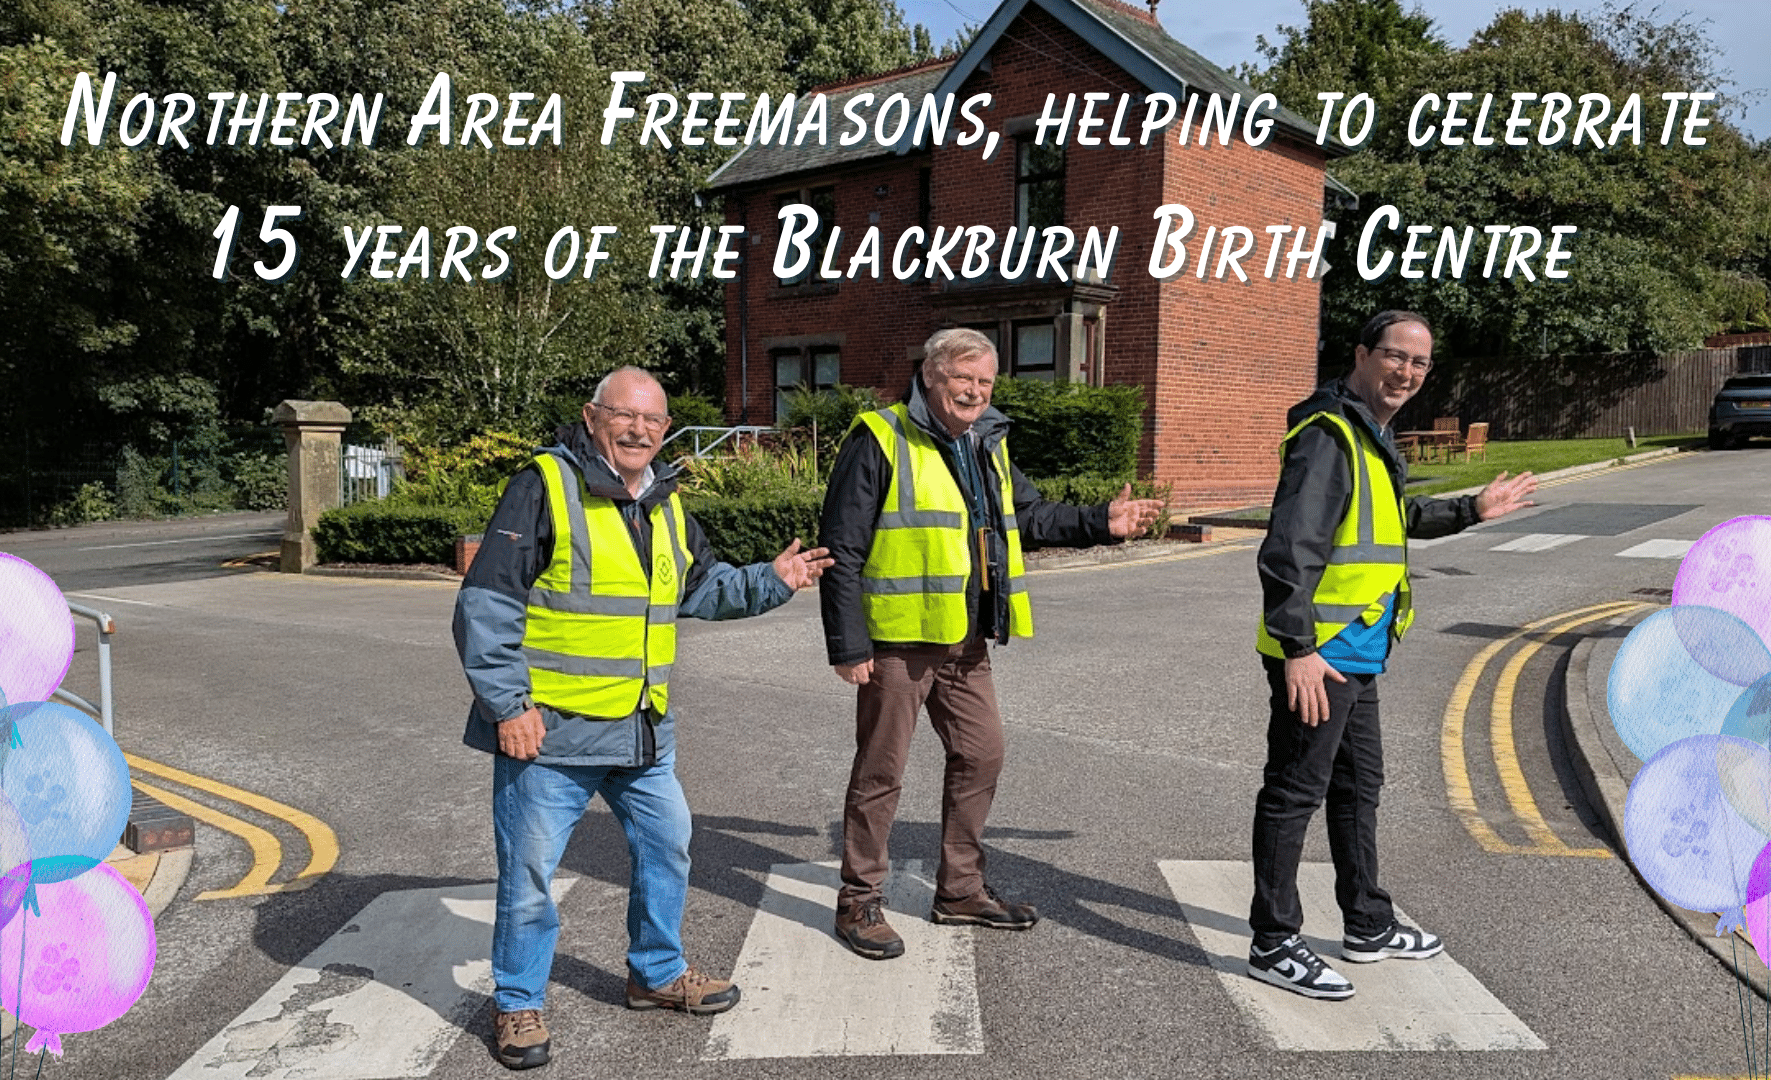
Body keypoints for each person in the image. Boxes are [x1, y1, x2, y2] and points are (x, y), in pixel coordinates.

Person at [453, 367, 834, 1070]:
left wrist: (771, 581)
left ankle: (655, 974)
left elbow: (702, 589)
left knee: (669, 847)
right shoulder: (545, 487)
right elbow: (487, 604)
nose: (639, 431)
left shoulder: (663, 502)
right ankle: (517, 1002)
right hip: (551, 736)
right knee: (529, 877)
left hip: (641, 730)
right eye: (624, 417)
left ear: (665, 430)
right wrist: (508, 705)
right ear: (591, 417)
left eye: (653, 421)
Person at [819, 327, 1164, 960]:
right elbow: (841, 544)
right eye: (963, 379)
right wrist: (848, 643)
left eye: (986, 382)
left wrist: (1102, 521)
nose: (975, 391)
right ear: (931, 376)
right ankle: (860, 900)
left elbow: (1027, 516)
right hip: (899, 639)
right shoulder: (881, 435)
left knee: (982, 756)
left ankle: (959, 891)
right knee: (881, 770)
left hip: (967, 638)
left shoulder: (987, 442)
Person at [1248, 310, 1538, 1000]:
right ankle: (1273, 939)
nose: (1406, 372)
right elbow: (1289, 547)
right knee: (1295, 792)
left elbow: (1391, 520)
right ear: (1362, 355)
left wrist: (1470, 510)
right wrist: (1298, 648)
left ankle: (1367, 924)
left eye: (1419, 363)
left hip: (1360, 648)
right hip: (1319, 650)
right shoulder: (1328, 435)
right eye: (1395, 356)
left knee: (1356, 790)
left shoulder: (1371, 433)